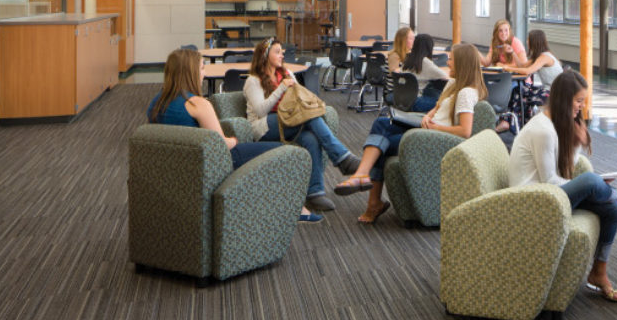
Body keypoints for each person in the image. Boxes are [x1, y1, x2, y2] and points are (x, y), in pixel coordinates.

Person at [508, 70, 617, 303]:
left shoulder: (554, 125)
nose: (581, 107)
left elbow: (565, 174)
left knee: (611, 208)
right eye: (579, 101)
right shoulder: (542, 130)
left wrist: (576, 144)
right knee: (593, 181)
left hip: (546, 196)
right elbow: (549, 182)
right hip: (530, 203)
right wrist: (592, 184)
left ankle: (599, 273)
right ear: (564, 99)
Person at [147, 48, 320, 222]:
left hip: (180, 168)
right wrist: (234, 139)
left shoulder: (155, 103)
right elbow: (222, 144)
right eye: (201, 68)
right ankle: (297, 210)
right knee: (284, 151)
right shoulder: (198, 104)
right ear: (190, 72)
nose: (204, 73)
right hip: (213, 165)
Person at [333, 44, 488, 224]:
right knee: (381, 123)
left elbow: (465, 131)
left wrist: (434, 127)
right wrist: (429, 116)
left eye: (452, 59)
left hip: (435, 140)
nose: (448, 62)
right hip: (427, 130)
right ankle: (364, 182)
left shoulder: (466, 93)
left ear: (462, 63)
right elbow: (437, 106)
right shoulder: (453, 84)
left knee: (384, 143)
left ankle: (366, 187)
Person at [244, 37, 360, 212]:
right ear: (264, 55)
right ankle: (342, 157)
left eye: (282, 51)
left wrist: (290, 83)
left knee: (311, 138)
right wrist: (281, 88)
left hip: (289, 122)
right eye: (277, 51)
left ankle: (315, 193)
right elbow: (261, 111)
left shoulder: (286, 73)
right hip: (264, 126)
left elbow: (300, 100)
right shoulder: (253, 80)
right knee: (309, 117)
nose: (282, 55)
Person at [495, 29, 562, 133]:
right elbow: (522, 66)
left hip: (553, 94)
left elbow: (528, 71)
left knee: (519, 92)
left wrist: (507, 68)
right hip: (550, 91)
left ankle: (509, 123)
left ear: (534, 41)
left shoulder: (544, 57)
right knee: (519, 91)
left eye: (528, 39)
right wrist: (512, 52)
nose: (527, 41)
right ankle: (520, 125)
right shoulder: (541, 56)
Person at [399, 33, 449, 112]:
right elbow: (445, 76)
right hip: (416, 101)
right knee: (446, 102)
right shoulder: (425, 62)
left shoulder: (407, 58)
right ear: (430, 47)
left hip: (401, 99)